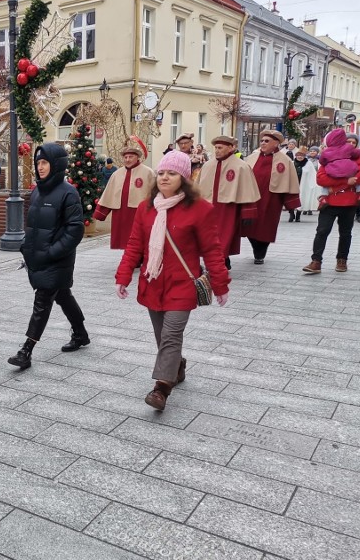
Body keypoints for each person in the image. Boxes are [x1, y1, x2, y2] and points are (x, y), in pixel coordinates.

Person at [115, 150, 230, 411]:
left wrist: (220, 284)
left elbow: (212, 249)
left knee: (170, 335)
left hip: (182, 285)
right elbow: (134, 245)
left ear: (185, 178)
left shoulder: (200, 209)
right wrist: (123, 276)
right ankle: (177, 366)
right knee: (162, 336)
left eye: (173, 173)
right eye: (162, 173)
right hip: (152, 282)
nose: (165, 177)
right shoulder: (146, 208)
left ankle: (161, 389)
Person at [7, 143, 89, 370]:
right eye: (38, 163)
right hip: (38, 257)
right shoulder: (37, 191)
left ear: (57, 164)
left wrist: (51, 253)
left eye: (44, 162)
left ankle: (26, 350)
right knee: (62, 295)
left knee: (42, 301)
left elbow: (75, 230)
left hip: (57, 259)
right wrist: (27, 248)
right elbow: (33, 225)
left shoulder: (68, 193)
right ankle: (81, 333)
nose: (40, 167)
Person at [302, 133, 360, 274]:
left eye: (353, 142)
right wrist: (346, 182)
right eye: (348, 141)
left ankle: (342, 260)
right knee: (322, 231)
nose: (350, 144)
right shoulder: (331, 156)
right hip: (330, 202)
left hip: (349, 202)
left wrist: (336, 185)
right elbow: (321, 179)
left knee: (345, 233)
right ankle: (316, 261)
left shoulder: (359, 159)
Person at [194, 136, 260, 269]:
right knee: (208, 237)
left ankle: (219, 262)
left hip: (228, 208)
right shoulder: (207, 165)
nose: (217, 151)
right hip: (209, 207)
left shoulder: (241, 166)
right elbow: (197, 187)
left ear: (231, 148)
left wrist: (248, 211)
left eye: (220, 148)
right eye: (216, 148)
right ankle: (221, 261)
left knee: (223, 236)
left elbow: (247, 190)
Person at [242, 130, 301, 264]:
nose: (263, 143)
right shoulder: (252, 157)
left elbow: (290, 180)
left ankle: (260, 252)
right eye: (262, 140)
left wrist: (291, 202)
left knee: (266, 226)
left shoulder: (285, 160)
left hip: (271, 200)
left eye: (266, 141)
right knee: (249, 225)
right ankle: (256, 247)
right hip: (252, 198)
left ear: (276, 144)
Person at [93, 144, 155, 250]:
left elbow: (155, 193)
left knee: (140, 236)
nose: (127, 159)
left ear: (137, 157)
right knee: (124, 238)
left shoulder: (148, 172)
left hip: (139, 212)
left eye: (130, 157)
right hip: (121, 213)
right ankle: (128, 256)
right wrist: (101, 213)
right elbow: (108, 194)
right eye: (125, 157)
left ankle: (140, 256)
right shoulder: (116, 174)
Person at [299, 146, 320, 216]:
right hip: (307, 179)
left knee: (313, 194)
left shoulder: (319, 160)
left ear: (317, 152)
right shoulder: (306, 160)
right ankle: (305, 208)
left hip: (315, 178)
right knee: (306, 193)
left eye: (314, 151)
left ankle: (310, 208)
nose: (312, 152)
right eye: (311, 151)